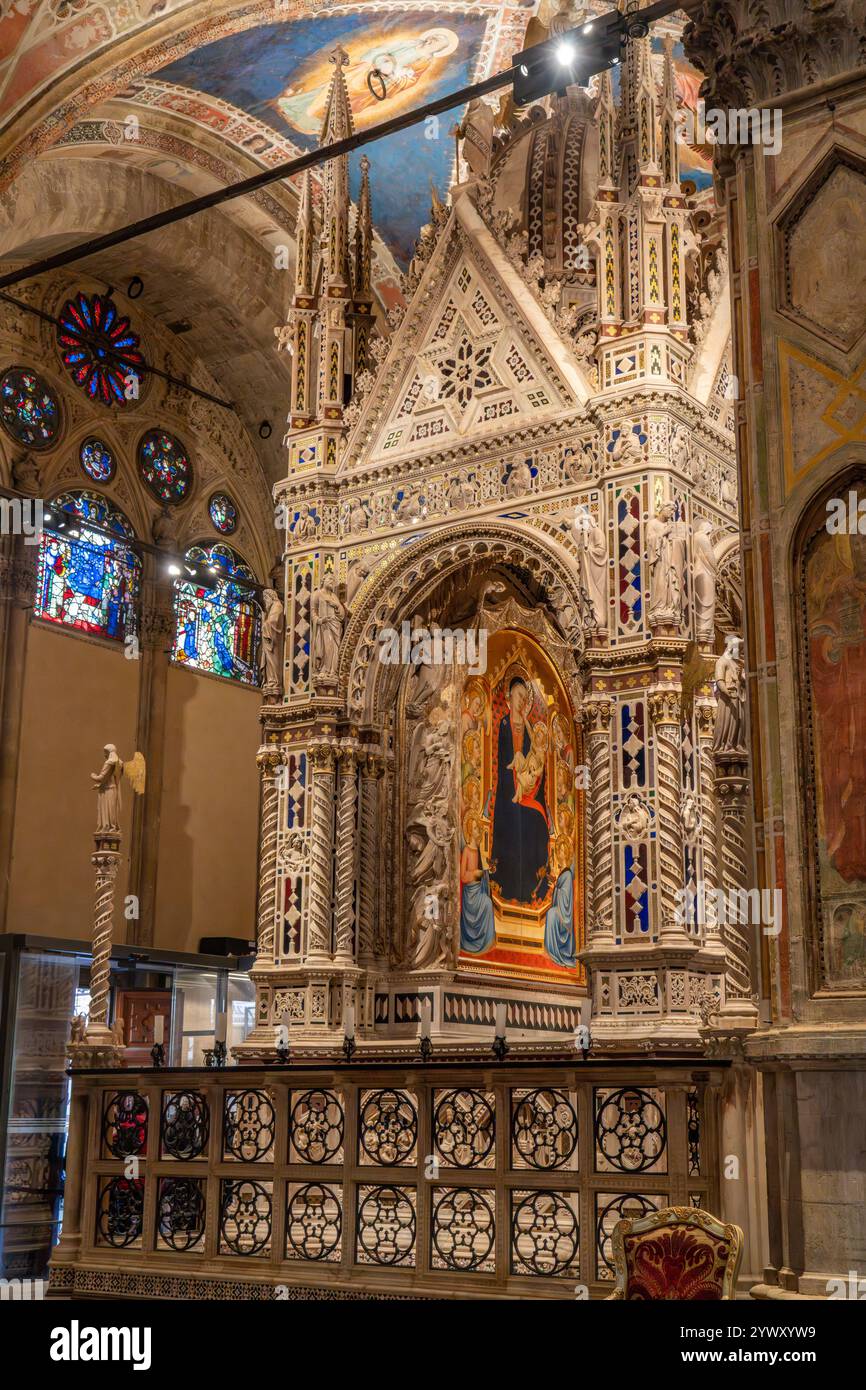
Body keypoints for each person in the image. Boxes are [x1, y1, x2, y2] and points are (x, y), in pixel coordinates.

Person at [490, 676, 550, 904]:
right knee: (510, 826)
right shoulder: (505, 724)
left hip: (526, 789)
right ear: (509, 697)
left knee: (535, 821)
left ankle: (531, 887)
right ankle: (505, 887)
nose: (522, 701)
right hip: (508, 790)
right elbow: (503, 757)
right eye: (518, 696)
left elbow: (535, 756)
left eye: (525, 697)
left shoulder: (528, 730)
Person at [459, 813, 495, 954]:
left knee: (488, 903)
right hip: (470, 895)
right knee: (487, 903)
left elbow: (482, 872)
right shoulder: (467, 850)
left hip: (478, 891)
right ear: (469, 831)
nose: (477, 831)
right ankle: (475, 940)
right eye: (474, 828)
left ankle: (486, 940)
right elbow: (462, 876)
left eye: (477, 828)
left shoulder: (479, 850)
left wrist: (488, 871)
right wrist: (474, 873)